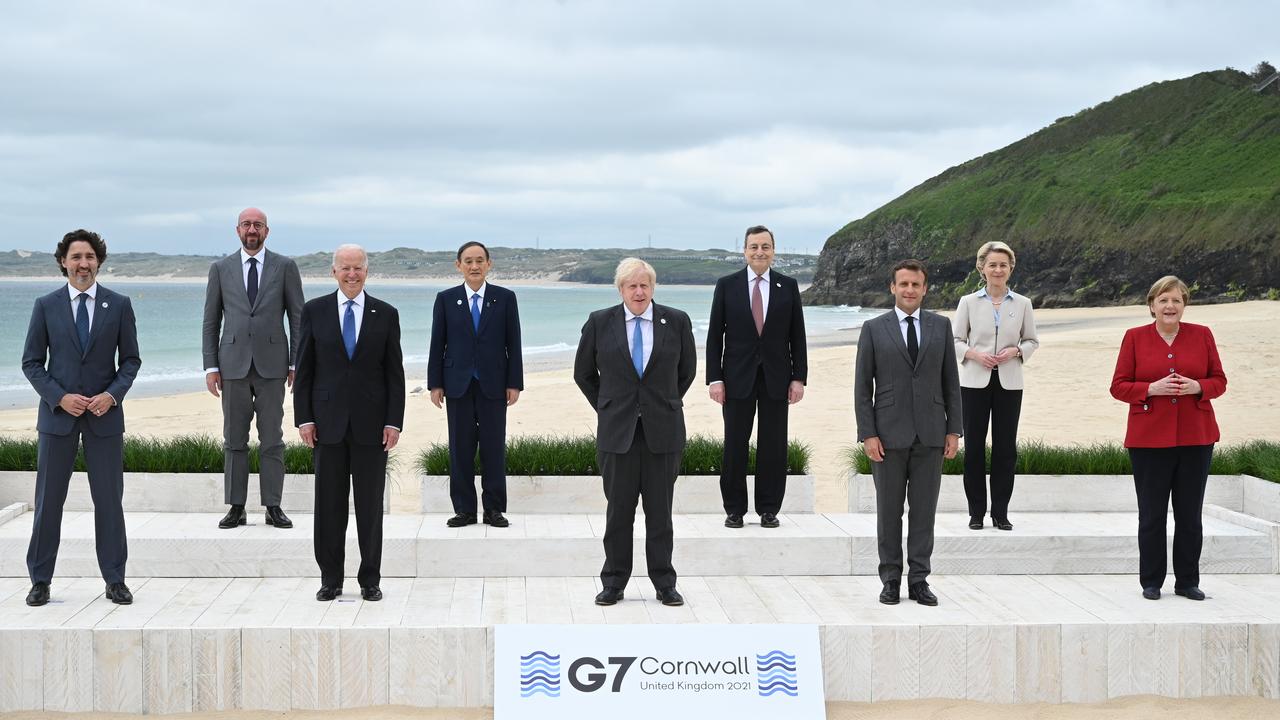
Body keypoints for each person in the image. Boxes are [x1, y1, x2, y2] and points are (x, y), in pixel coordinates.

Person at [21, 230, 141, 607]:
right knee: (48, 502)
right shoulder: (46, 305)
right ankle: (40, 580)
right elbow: (31, 363)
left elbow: (131, 361)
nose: (83, 264)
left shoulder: (118, 305)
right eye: (76, 257)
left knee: (109, 502)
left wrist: (111, 395)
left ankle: (115, 580)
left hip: (104, 419)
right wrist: (60, 397)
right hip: (57, 420)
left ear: (98, 262)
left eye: (89, 257)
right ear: (63, 262)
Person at [574, 258, 696, 607]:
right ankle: (613, 582)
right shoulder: (600, 322)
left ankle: (664, 583)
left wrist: (661, 403)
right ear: (621, 289)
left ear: (653, 287)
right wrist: (609, 407)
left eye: (645, 285)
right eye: (632, 286)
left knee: (661, 514)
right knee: (619, 514)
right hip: (617, 434)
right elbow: (583, 374)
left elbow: (686, 372)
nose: (639, 291)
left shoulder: (676, 321)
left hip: (664, 432)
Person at [294, 245, 405, 602]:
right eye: (345, 268)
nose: (351, 274)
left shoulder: (386, 314)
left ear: (367, 272)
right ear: (334, 272)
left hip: (373, 427)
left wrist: (394, 422)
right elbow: (305, 371)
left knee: (370, 508)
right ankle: (331, 579)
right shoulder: (314, 311)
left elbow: (394, 375)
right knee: (329, 507)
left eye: (358, 268)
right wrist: (304, 419)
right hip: (326, 426)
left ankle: (370, 579)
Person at [1110, 276, 1226, 602]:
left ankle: (1187, 581)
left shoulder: (1202, 335)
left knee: (1190, 514)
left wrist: (1198, 386)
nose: (1170, 306)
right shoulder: (1134, 338)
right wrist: (1150, 389)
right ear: (1152, 306)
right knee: (1151, 515)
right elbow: (1118, 386)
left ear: (1184, 305)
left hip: (1196, 438)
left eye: (1176, 300)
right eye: (1163, 301)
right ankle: (1151, 581)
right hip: (1148, 441)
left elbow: (1219, 381)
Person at [854, 259, 961, 607]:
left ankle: (919, 579)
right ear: (892, 288)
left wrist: (954, 430)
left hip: (931, 433)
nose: (909, 290)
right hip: (886, 435)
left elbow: (951, 383)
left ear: (925, 288)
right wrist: (868, 433)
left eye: (915, 285)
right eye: (903, 284)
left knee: (924, 512)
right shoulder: (873, 328)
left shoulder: (941, 327)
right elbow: (861, 388)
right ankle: (890, 579)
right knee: (888, 512)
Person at [202, 207, 305, 530]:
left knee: (272, 438)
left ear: (266, 231)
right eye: (246, 224)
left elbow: (298, 317)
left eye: (257, 225)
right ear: (237, 230)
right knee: (234, 439)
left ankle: (273, 506)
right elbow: (210, 320)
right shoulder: (220, 269)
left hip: (273, 366)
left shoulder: (285, 267)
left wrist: (295, 363)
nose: (252, 230)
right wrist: (210, 366)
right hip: (231, 366)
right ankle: (236, 507)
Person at [706, 225, 807, 529]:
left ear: (773, 251)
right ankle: (734, 509)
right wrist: (715, 378)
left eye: (765, 246)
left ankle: (768, 509)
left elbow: (797, 335)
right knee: (735, 444)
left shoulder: (787, 286)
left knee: (773, 445)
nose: (759, 252)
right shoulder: (727, 285)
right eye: (754, 247)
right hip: (736, 378)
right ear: (745, 251)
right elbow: (714, 337)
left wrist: (798, 377)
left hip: (778, 377)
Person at [427, 241, 523, 528]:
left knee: (493, 448)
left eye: (480, 260)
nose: (474, 266)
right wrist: (435, 384)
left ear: (489, 264)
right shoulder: (445, 299)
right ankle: (464, 510)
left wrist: (514, 382)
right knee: (460, 449)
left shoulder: (505, 298)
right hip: (457, 385)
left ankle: (494, 509)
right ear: (458, 265)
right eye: (468, 261)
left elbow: (513, 343)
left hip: (494, 385)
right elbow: (437, 344)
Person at [952, 241, 1039, 531]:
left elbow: (1031, 341)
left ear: (1010, 268)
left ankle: (1000, 513)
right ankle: (976, 513)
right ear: (982, 268)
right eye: (992, 265)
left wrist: (1015, 352)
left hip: (1010, 383)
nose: (998, 269)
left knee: (1005, 449)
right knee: (974, 448)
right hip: (974, 382)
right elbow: (955, 341)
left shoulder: (1023, 303)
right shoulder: (968, 302)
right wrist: (975, 355)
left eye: (1003, 264)